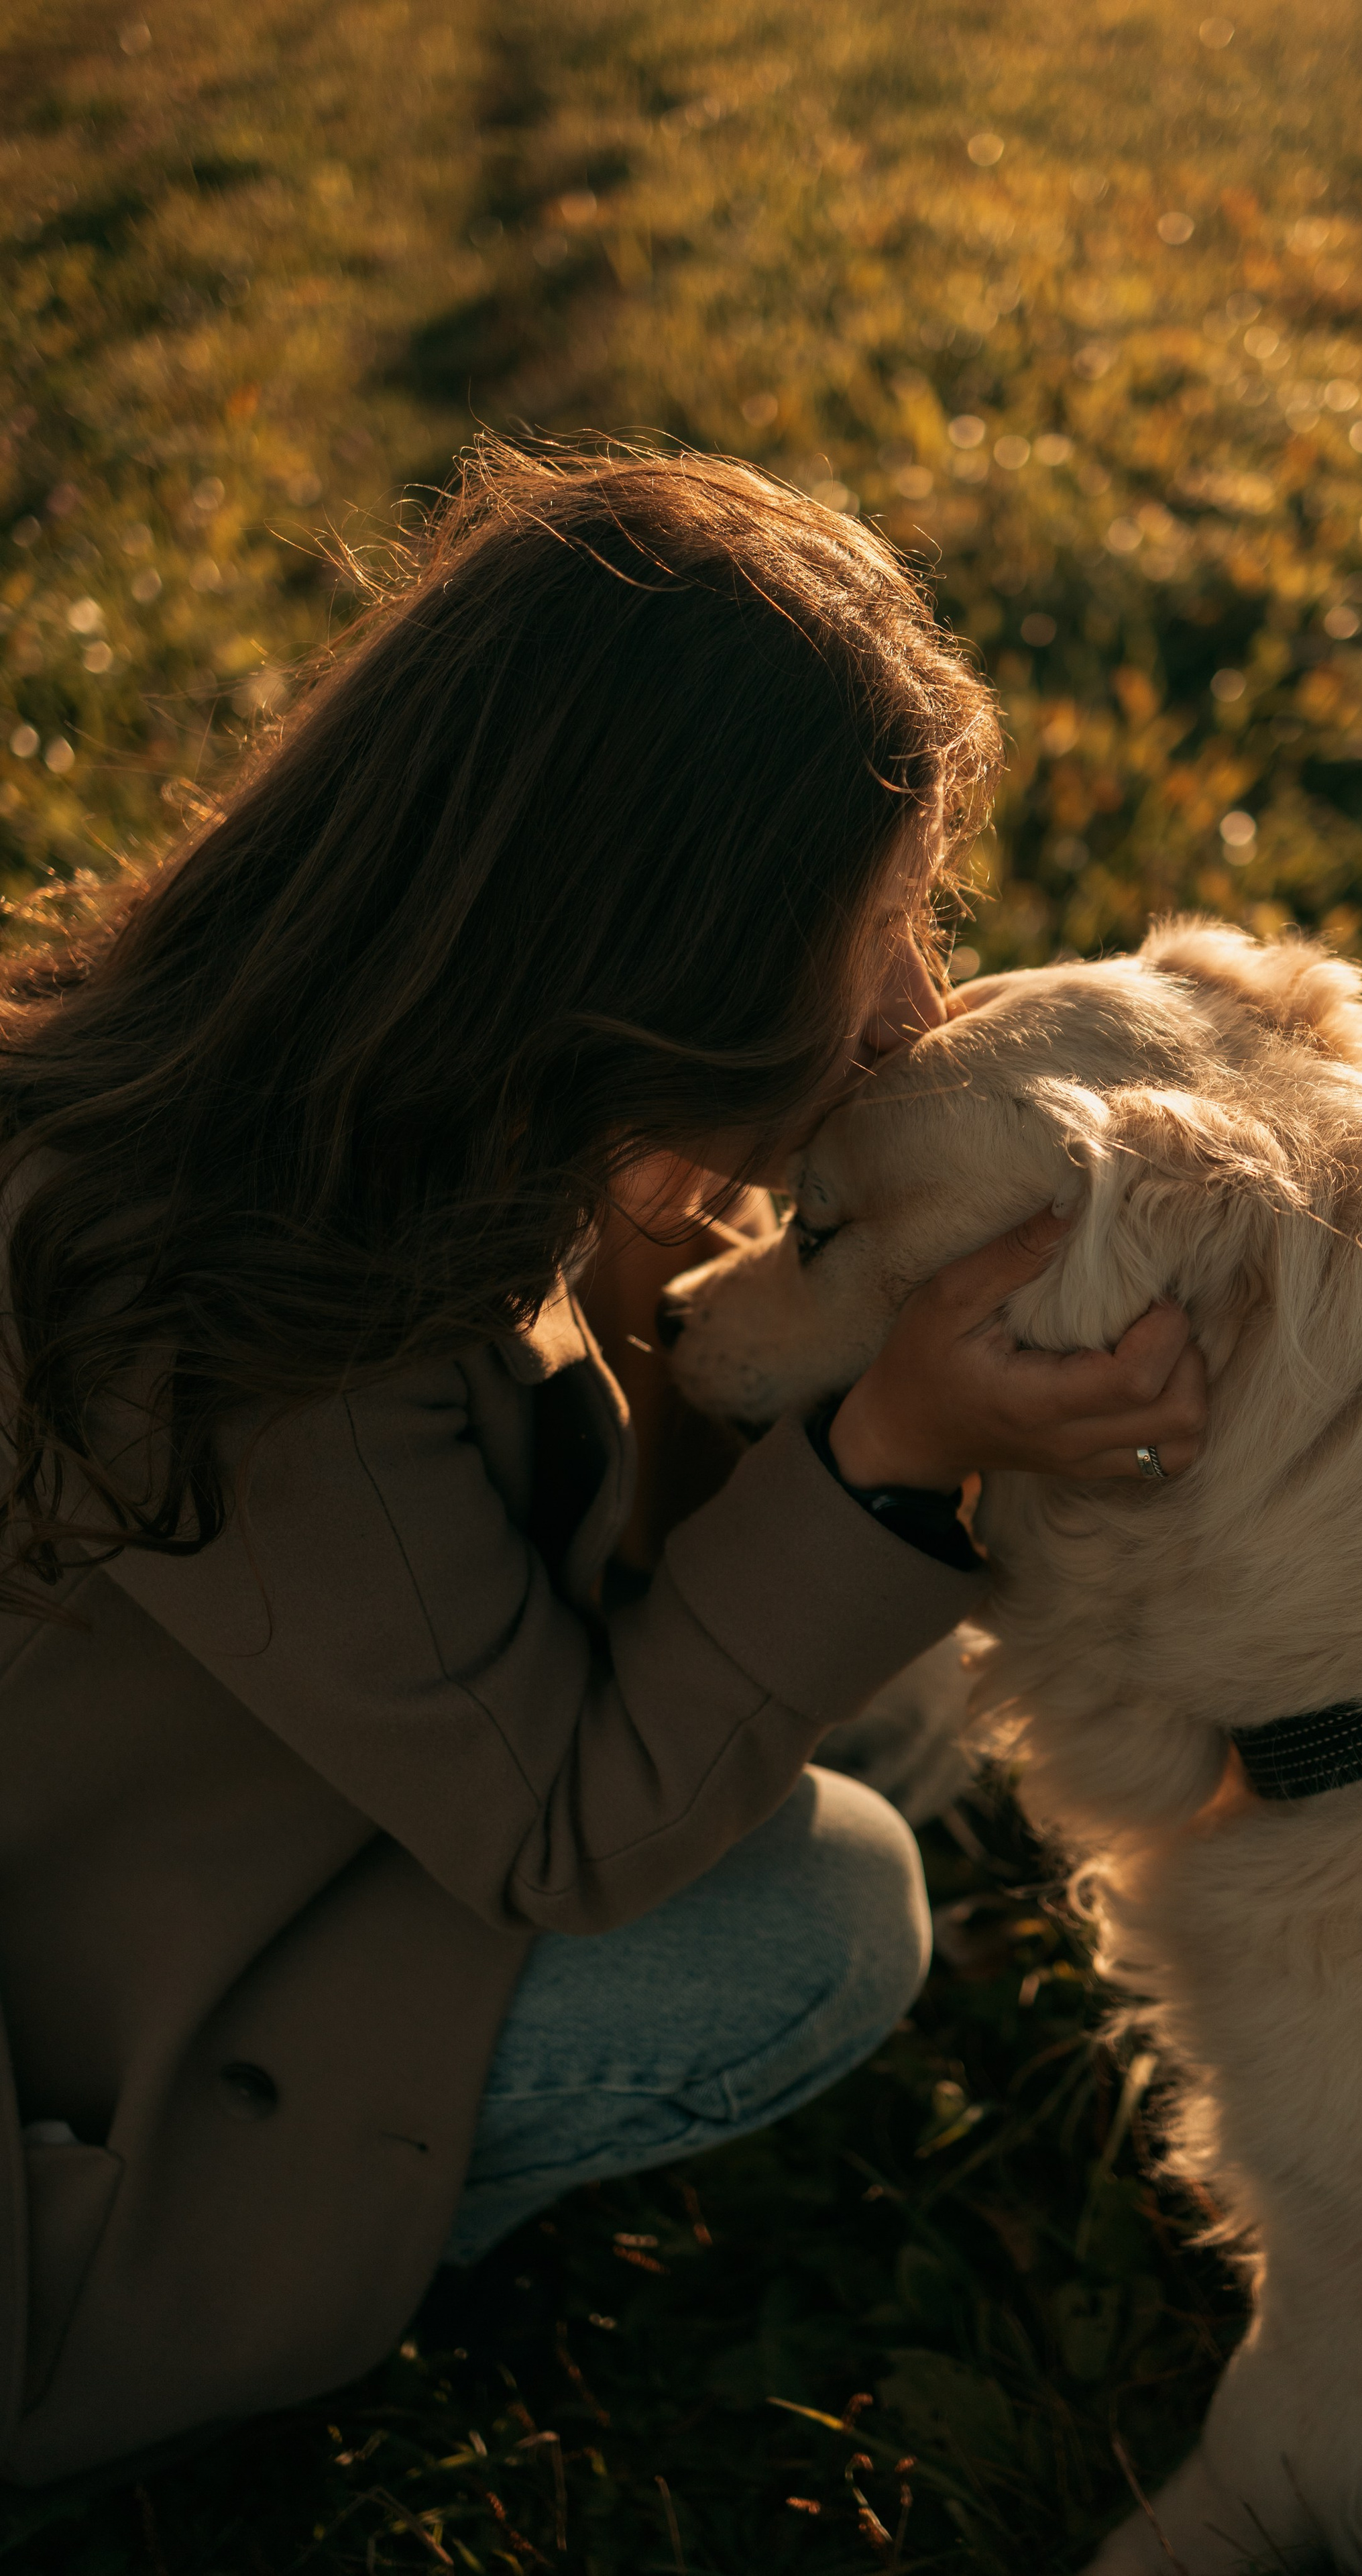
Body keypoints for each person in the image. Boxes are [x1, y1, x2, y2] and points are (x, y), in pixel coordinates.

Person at [0, 445, 1205, 2481]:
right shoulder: (245, 1327)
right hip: (114, 1997)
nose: (915, 1008)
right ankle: (299, 2244)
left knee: (884, 1676)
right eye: (874, 931)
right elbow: (563, 1836)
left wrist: (751, 1341)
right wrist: (897, 1445)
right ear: (654, 949)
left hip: (293, 1776)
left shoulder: (404, 1105)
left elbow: (576, 1523)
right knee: (823, 1915)